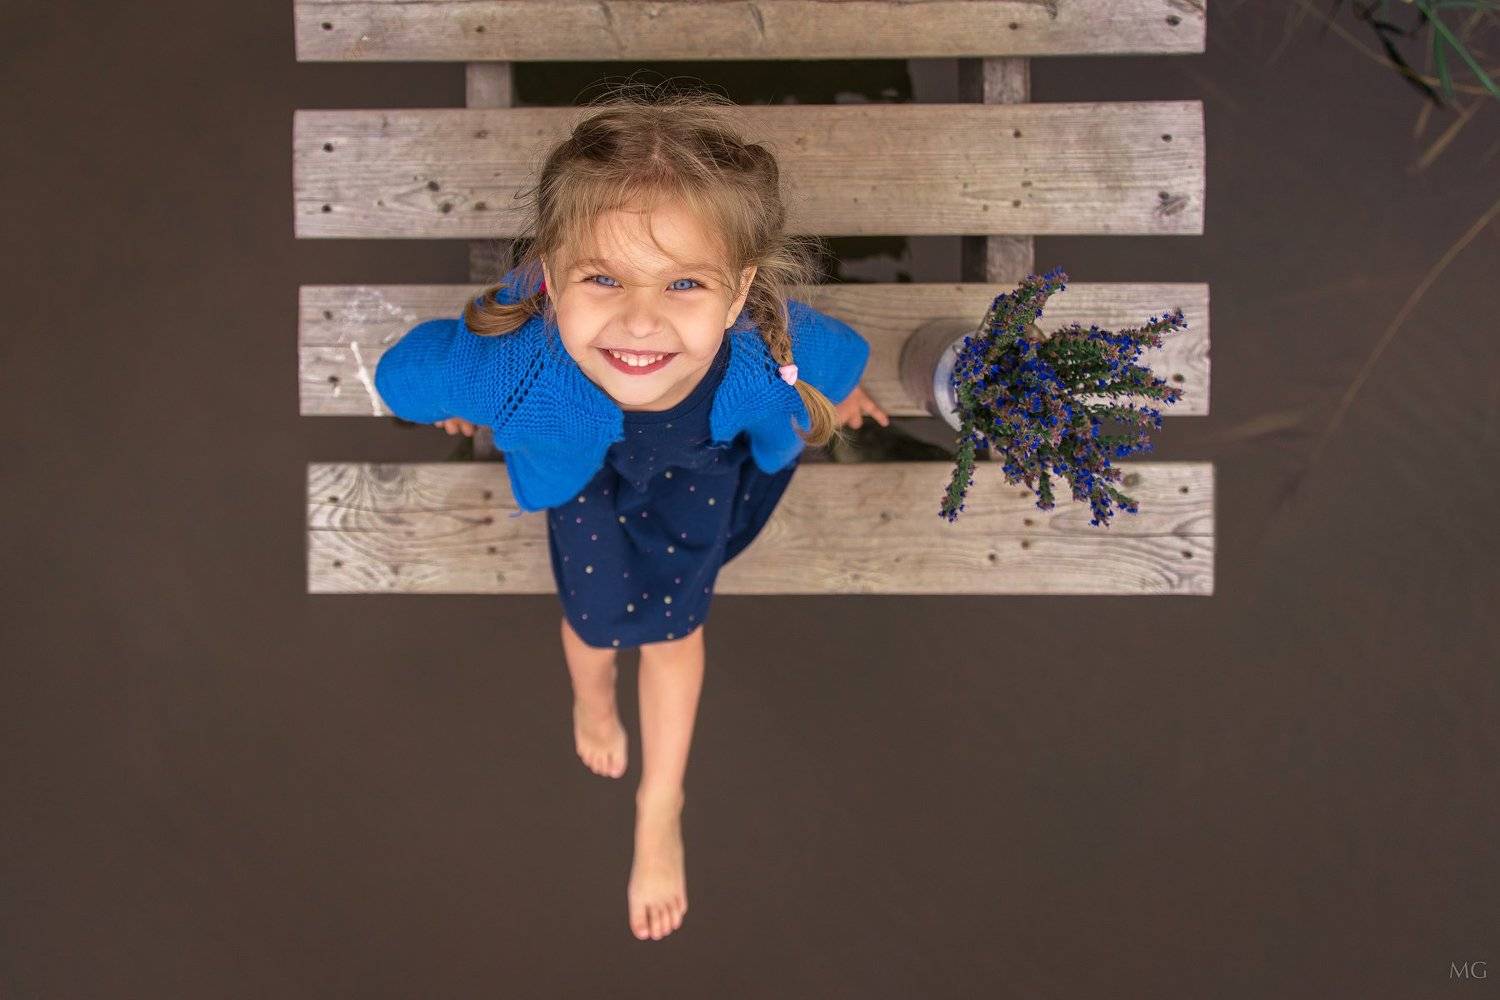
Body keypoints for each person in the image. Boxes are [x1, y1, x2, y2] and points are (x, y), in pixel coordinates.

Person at [373, 84, 889, 942]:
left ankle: (661, 800)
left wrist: (841, 390)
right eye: (604, 278)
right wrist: (449, 403)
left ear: (738, 295)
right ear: (551, 277)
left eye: (684, 282)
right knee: (593, 616)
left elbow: (837, 357)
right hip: (578, 472)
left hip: (695, 464)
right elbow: (403, 377)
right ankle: (593, 700)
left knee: (675, 628)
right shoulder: (504, 368)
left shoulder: (763, 354)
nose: (641, 323)